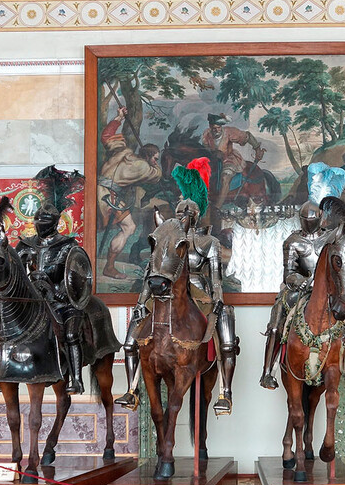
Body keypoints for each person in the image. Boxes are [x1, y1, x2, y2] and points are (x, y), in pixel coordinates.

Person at [116, 159, 239, 416]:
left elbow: (215, 277)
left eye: (188, 213)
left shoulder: (209, 242)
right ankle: (131, 389)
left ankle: (225, 392)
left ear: (196, 214)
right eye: (180, 212)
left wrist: (217, 299)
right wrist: (141, 302)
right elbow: (153, 271)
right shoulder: (167, 239)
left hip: (200, 290)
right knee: (132, 339)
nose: (183, 216)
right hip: (168, 289)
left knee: (226, 327)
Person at [16, 201, 85, 394]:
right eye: (37, 220)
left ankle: (77, 380)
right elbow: (15, 271)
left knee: (71, 335)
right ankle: (5, 371)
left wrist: (64, 290)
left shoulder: (68, 245)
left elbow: (77, 272)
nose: (39, 224)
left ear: (54, 223)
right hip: (32, 300)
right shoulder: (25, 244)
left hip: (60, 300)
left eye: (44, 221)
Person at [259, 201, 323, 390]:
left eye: (313, 219)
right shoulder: (292, 241)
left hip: (325, 290)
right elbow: (288, 273)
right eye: (306, 220)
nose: (310, 223)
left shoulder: (330, 239)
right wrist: (302, 281)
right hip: (299, 289)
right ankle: (268, 372)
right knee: (276, 323)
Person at [98, 107, 163, 279]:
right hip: (106, 196)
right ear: (149, 157)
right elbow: (156, 176)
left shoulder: (122, 151)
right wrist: (154, 164)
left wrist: (119, 117)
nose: (156, 161)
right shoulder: (143, 167)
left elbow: (106, 136)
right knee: (129, 227)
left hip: (97, 190)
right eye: (155, 158)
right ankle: (109, 267)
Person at [201, 112, 265, 203]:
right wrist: (213, 153)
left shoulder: (229, 132)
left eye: (218, 128)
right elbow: (205, 147)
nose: (216, 130)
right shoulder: (206, 134)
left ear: (221, 126)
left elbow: (247, 136)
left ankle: (218, 205)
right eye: (214, 128)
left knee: (225, 177)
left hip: (229, 159)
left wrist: (257, 149)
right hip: (213, 160)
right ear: (210, 126)